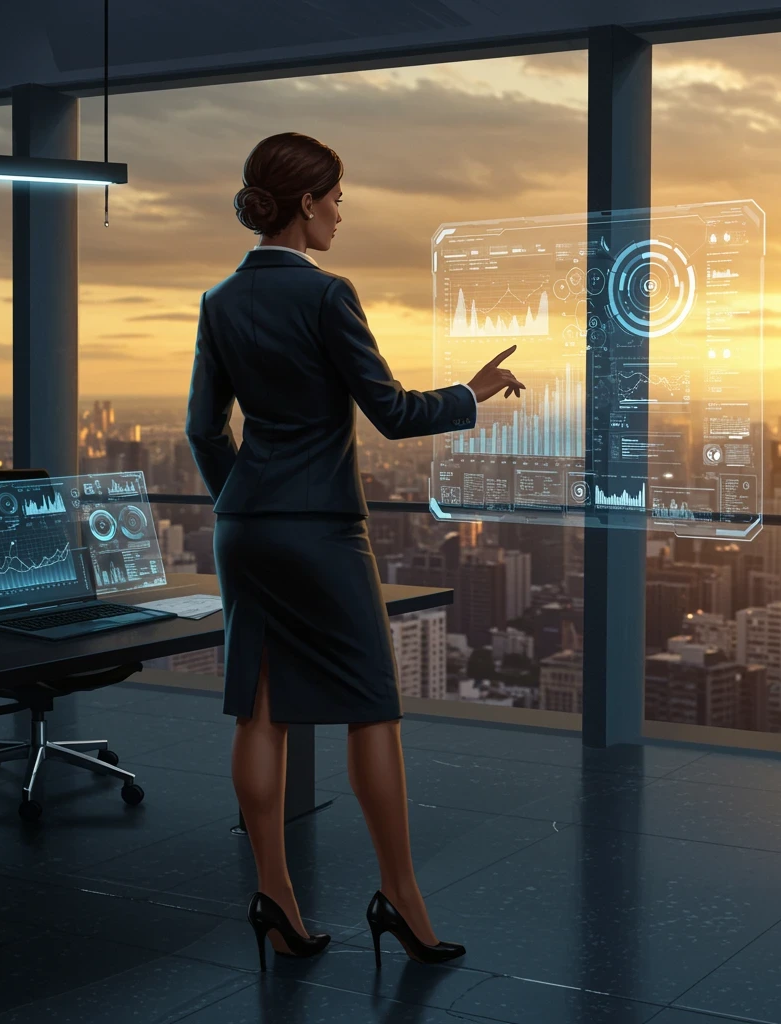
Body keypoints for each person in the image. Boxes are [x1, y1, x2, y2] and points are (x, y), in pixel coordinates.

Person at [185, 132, 525, 971]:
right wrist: (472, 391)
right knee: (372, 705)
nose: (342, 210)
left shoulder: (219, 300)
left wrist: (241, 497)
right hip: (322, 530)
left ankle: (275, 896)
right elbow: (394, 412)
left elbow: (203, 428)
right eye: (336, 196)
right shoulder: (330, 295)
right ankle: (402, 902)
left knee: (260, 705)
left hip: (245, 526)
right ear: (305, 203)